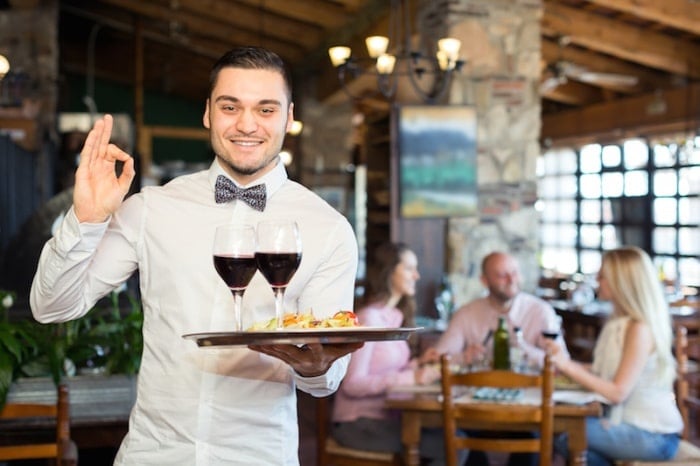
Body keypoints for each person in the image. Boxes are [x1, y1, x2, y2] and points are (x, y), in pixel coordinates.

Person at [30, 46, 362, 466]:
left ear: (289, 117)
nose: (246, 124)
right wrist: (86, 218)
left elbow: (325, 381)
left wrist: (315, 366)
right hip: (151, 456)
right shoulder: (151, 207)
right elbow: (51, 306)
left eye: (265, 109)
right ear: (208, 112)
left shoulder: (328, 229)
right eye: (230, 106)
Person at [421, 250, 569, 466]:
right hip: (475, 412)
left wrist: (525, 348)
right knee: (456, 437)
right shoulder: (467, 313)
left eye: (515, 273)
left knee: (536, 440)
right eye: (502, 275)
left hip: (530, 414)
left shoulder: (541, 311)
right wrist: (464, 357)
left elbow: (563, 363)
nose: (511, 280)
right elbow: (440, 358)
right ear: (484, 280)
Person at [544, 246, 683, 466]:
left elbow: (618, 392)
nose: (598, 281)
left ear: (621, 281)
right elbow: (606, 371)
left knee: (563, 433)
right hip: (630, 425)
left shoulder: (639, 328)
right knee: (571, 439)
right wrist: (565, 363)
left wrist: (569, 366)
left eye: (603, 276)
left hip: (654, 435)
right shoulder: (620, 322)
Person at [332, 242, 465, 466]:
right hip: (357, 424)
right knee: (453, 443)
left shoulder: (392, 317)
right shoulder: (370, 319)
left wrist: (417, 364)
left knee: (456, 438)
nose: (417, 275)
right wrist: (411, 378)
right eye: (409, 268)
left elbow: (386, 370)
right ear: (388, 271)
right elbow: (352, 384)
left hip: (383, 419)